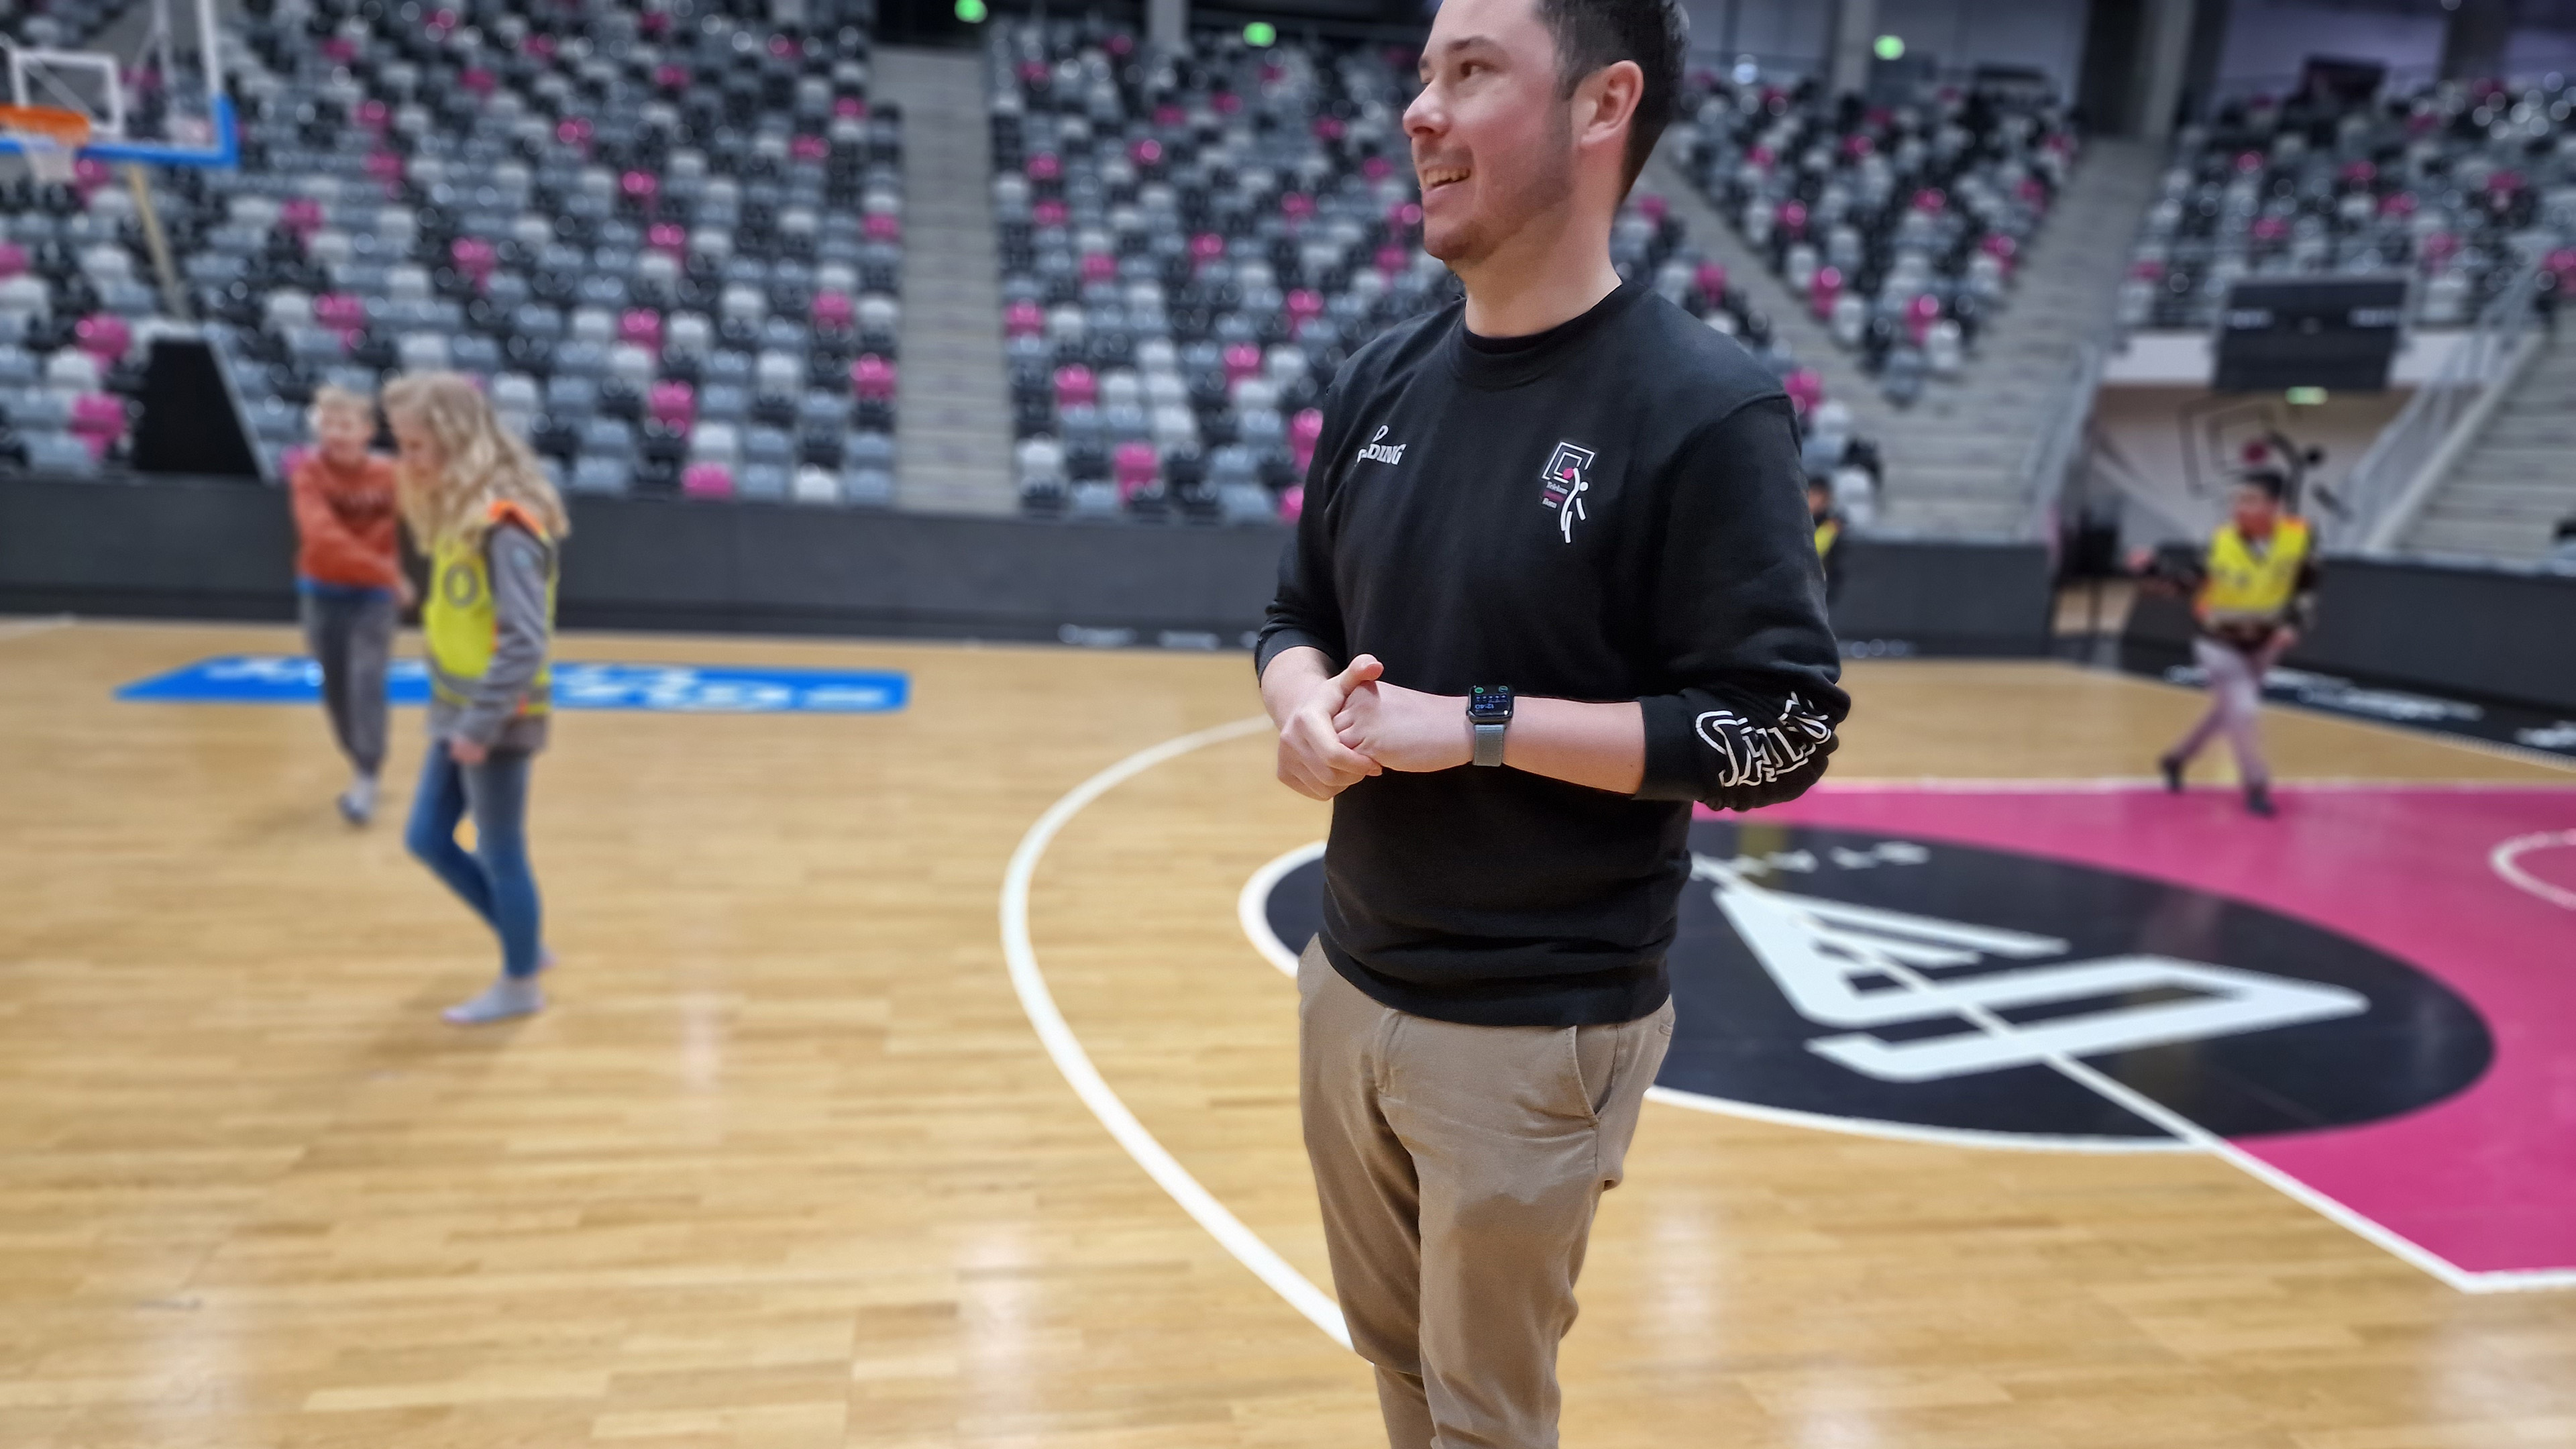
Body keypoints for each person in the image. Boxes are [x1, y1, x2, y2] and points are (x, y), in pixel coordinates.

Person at [1254, 0, 1847, 1440]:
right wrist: (1295, 713)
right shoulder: (1379, 380)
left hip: (1532, 1030)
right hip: (1349, 979)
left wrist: (1484, 726)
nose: (1420, 112)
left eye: (1471, 73)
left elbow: (1784, 735)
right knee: (1396, 1369)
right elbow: (1294, 616)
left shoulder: (1706, 410)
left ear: (1602, 106)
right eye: (1421, 75)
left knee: (1486, 1416)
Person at [384, 372, 567, 1026]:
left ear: (457, 441)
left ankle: (520, 983)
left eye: (414, 446)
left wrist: (482, 724)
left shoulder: (505, 524)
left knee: (501, 850)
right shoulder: (461, 515)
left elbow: (524, 641)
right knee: (427, 837)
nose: (406, 462)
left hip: (497, 720)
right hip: (460, 714)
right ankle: (526, 942)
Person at [2155, 470, 2315, 818]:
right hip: (2218, 641)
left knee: (2227, 712)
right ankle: (2256, 783)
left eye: (2249, 500)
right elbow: (2188, 581)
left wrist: (2294, 623)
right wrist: (2154, 573)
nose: (2238, 507)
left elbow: (2306, 586)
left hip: (2265, 642)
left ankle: (2176, 758)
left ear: (2275, 506)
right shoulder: (2221, 540)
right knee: (2243, 709)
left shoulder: (2301, 536)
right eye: (2236, 500)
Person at [287, 385, 409, 824]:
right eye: (328, 423)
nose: (335, 433)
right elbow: (321, 537)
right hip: (323, 591)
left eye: (346, 424)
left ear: (367, 431)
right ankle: (358, 758)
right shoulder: (308, 475)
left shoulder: (391, 475)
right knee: (336, 688)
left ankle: (367, 773)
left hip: (373, 599)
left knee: (366, 679)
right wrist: (389, 572)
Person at [1809, 474, 1846, 602]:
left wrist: (1829, 530)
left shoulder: (1835, 522)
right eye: (1811, 494)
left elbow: (1814, 552)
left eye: (1818, 495)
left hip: (1827, 590)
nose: (1813, 500)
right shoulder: (1797, 521)